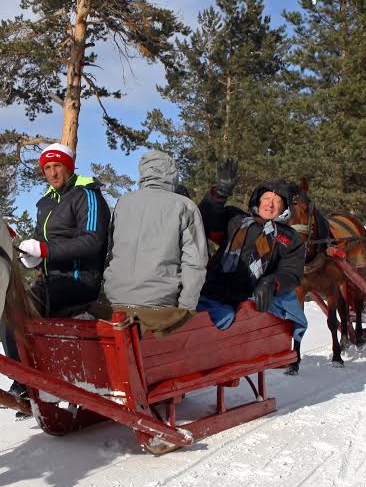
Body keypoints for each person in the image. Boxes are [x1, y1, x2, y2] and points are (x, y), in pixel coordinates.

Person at [7, 143, 111, 402]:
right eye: (47, 168)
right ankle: (25, 376)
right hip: (52, 280)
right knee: (9, 307)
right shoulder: (46, 202)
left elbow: (93, 241)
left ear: (69, 167)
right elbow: (43, 242)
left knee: (22, 306)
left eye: (57, 167)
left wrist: (45, 250)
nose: (52, 173)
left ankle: (29, 380)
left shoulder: (86, 194)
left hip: (81, 280)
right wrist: (31, 257)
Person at [196, 159, 308, 372]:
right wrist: (219, 194)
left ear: (284, 208)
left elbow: (292, 273)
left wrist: (273, 282)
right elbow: (205, 219)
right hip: (212, 290)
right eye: (266, 198)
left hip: (248, 300)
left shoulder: (290, 238)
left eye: (277, 202)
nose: (270, 204)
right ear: (258, 199)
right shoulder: (235, 217)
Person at [103, 150, 207, 311]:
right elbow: (195, 263)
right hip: (161, 305)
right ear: (172, 173)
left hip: (117, 302)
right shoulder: (185, 206)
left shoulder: (124, 202)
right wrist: (186, 309)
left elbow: (111, 251)